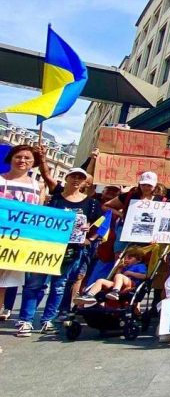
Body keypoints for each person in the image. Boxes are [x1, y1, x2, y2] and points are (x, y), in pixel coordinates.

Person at [14, 166, 100, 336]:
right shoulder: (53, 199)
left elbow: (101, 221)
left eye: (80, 178)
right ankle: (26, 320)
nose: (76, 180)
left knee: (59, 286)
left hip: (71, 250)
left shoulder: (91, 204)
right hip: (46, 247)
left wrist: (90, 235)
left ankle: (48, 320)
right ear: (66, 178)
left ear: (84, 182)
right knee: (35, 284)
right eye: (73, 176)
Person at [0, 144, 48, 319]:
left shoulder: (38, 186)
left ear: (33, 162)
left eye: (28, 158)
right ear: (10, 159)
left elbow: (39, 214)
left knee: (2, 287)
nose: (22, 161)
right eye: (18, 157)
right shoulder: (1, 179)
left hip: (18, 244)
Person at [75, 246, 148, 304]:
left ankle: (115, 292)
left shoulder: (140, 266)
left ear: (138, 260)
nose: (126, 259)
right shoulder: (125, 266)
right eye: (126, 257)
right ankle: (90, 295)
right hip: (119, 284)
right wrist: (119, 269)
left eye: (130, 258)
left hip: (131, 285)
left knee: (119, 276)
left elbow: (144, 276)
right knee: (101, 280)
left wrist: (130, 273)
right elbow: (117, 277)